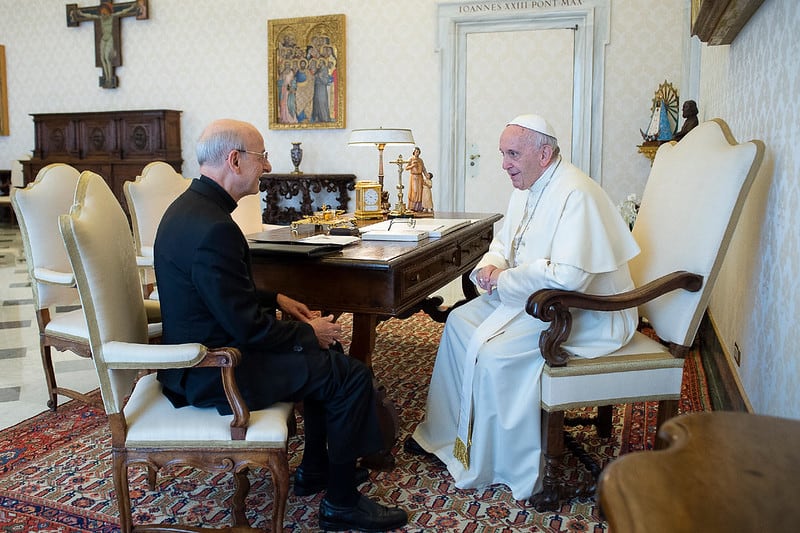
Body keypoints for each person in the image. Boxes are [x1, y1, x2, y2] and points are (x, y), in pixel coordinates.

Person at [154, 119, 407, 531]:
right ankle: (341, 505)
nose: (268, 166)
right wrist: (309, 332)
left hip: (206, 357)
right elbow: (249, 329)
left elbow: (218, 294)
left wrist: (276, 299)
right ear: (235, 160)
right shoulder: (214, 228)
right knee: (351, 375)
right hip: (216, 370)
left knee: (330, 355)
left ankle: (316, 468)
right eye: (262, 157)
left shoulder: (190, 209)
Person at [408, 114, 640, 501]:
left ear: (544, 154)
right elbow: (504, 243)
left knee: (495, 354)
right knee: (458, 322)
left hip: (586, 313)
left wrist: (504, 279)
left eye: (512, 154)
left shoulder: (576, 193)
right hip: (536, 300)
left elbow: (569, 278)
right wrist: (490, 266)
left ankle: (504, 462)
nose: (504, 164)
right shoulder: (527, 187)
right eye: (503, 153)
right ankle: (447, 436)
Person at [404, 146, 429, 212]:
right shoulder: (411, 159)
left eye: (418, 152)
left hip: (420, 177)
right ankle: (412, 207)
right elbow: (406, 168)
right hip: (414, 177)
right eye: (416, 152)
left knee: (420, 191)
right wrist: (412, 166)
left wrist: (426, 175)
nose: (417, 153)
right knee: (414, 191)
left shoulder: (420, 160)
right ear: (414, 152)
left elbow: (423, 169)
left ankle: (419, 207)